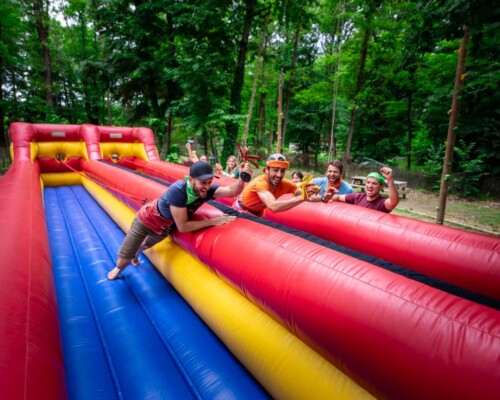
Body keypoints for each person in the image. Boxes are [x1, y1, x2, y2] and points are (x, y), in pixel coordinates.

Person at [108, 161, 253, 280]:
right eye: (203, 183)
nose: (207, 187)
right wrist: (213, 221)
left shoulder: (206, 190)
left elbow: (231, 191)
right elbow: (182, 227)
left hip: (164, 228)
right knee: (122, 261)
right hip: (145, 222)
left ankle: (136, 253)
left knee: (145, 245)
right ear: (191, 180)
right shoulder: (178, 190)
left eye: (209, 182)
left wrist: (242, 179)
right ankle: (118, 268)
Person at [234, 153, 319, 217]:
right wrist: (302, 197)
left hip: (258, 213)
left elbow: (308, 195)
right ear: (266, 170)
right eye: (275, 170)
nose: (279, 175)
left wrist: (324, 198)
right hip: (241, 209)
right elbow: (273, 206)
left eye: (282, 171)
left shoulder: (285, 183)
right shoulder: (260, 182)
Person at [322, 167, 399, 212]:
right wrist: (328, 197)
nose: (370, 186)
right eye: (368, 182)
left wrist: (389, 179)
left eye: (374, 183)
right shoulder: (358, 197)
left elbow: (394, 201)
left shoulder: (382, 203)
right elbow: (338, 197)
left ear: (381, 187)